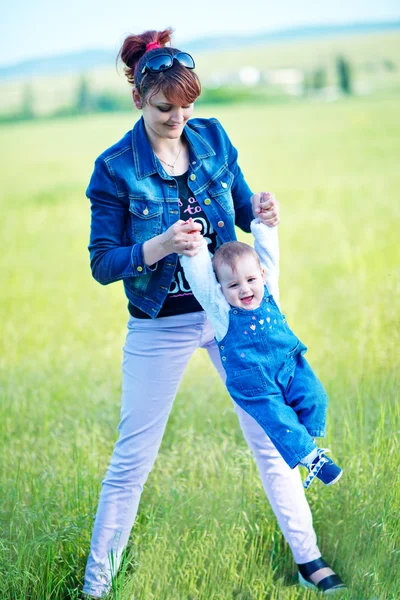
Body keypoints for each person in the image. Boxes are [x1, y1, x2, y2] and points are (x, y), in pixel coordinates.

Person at [83, 27, 345, 597]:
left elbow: (244, 209)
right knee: (133, 459)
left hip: (235, 317)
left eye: (187, 104)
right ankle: (96, 586)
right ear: (138, 99)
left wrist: (263, 210)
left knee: (273, 437)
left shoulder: (214, 139)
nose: (179, 117)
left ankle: (311, 561)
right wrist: (160, 246)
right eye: (164, 108)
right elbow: (103, 263)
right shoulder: (114, 169)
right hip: (160, 320)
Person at [181, 216, 342, 489]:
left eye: (251, 280)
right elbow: (201, 283)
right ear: (221, 289)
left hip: (289, 364)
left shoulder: (270, 290)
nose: (244, 289)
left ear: (263, 276)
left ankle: (306, 441)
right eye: (233, 285)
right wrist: (194, 251)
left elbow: (268, 253)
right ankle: (311, 458)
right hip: (254, 381)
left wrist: (264, 226)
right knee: (279, 420)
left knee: (316, 397)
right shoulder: (221, 311)